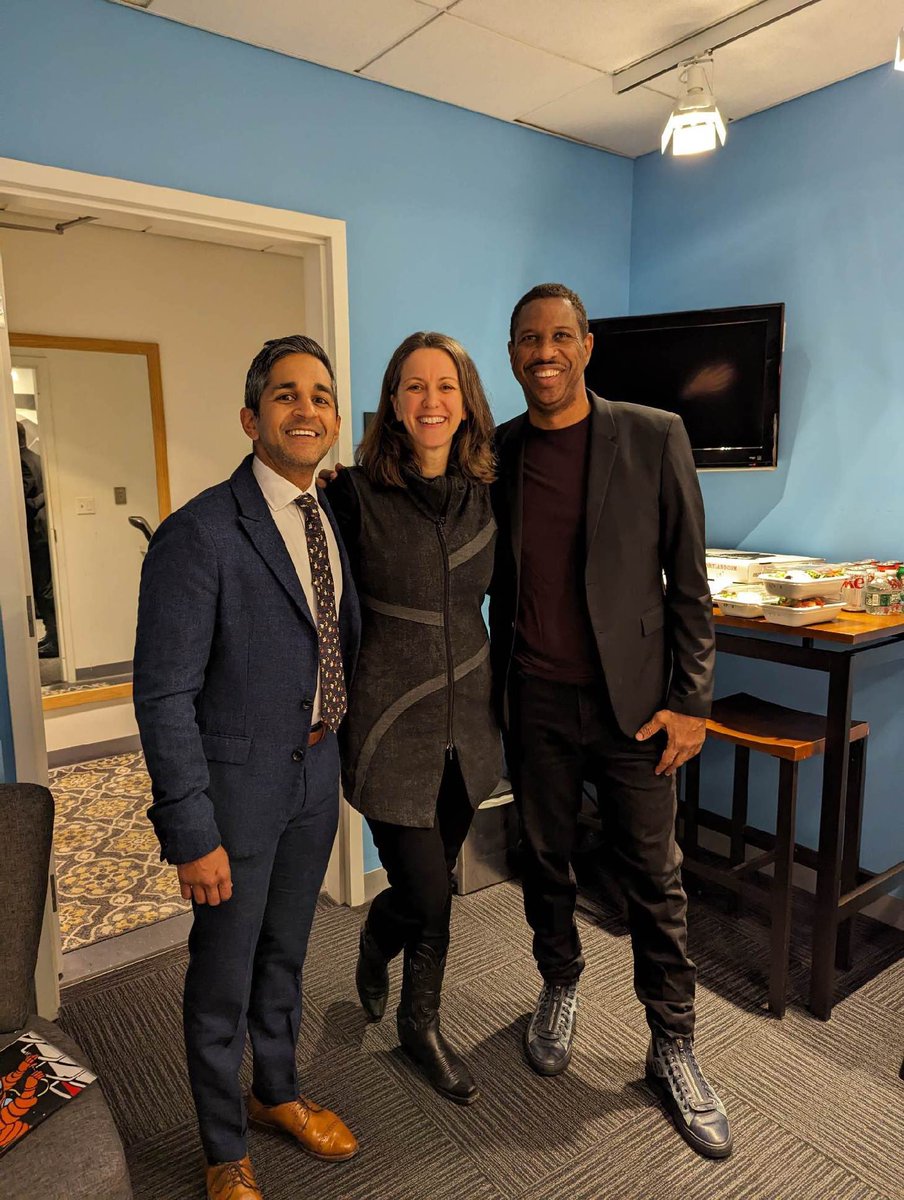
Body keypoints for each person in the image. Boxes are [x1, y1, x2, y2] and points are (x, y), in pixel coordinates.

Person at [489, 283, 732, 1159]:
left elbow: (690, 586)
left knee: (654, 880)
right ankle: (559, 980)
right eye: (527, 339)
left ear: (588, 346)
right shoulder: (500, 451)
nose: (543, 352)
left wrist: (692, 702)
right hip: (536, 701)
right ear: (511, 353)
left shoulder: (654, 433)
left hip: (637, 709)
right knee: (543, 859)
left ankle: (673, 1043)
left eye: (560, 336)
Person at [133, 335, 361, 1200]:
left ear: (334, 420)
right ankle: (224, 1147)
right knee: (221, 977)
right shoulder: (198, 534)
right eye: (285, 395)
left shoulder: (328, 513)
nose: (307, 409)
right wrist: (191, 831)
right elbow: (163, 697)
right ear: (250, 417)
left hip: (314, 778)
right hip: (233, 798)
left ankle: (277, 1094)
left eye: (320, 396)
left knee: (287, 957)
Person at [325, 331, 501, 1105]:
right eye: (415, 386)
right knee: (428, 893)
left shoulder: (489, 494)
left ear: (466, 403)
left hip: (470, 729)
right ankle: (415, 1020)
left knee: (430, 889)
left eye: (446, 386)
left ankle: (386, 952)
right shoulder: (352, 495)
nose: (432, 401)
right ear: (393, 403)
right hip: (391, 730)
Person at [18, 421, 58, 658]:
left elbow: (23, 497)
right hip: (42, 531)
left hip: (36, 533)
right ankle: (52, 636)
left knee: (43, 588)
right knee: (45, 587)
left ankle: (54, 640)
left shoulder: (22, 461)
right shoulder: (35, 457)